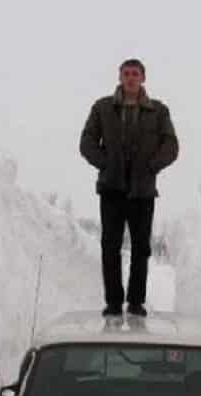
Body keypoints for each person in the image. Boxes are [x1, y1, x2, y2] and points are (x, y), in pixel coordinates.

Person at [80, 58, 179, 317]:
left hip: (142, 192)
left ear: (143, 78)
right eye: (127, 73)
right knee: (110, 246)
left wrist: (151, 166)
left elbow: (171, 146)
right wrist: (106, 164)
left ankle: (136, 302)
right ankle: (113, 302)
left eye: (136, 73)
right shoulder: (103, 107)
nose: (131, 78)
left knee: (141, 249)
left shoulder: (158, 111)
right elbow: (87, 142)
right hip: (112, 190)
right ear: (120, 77)